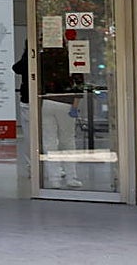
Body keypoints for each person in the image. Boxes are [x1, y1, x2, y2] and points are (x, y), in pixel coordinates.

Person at [39, 45, 83, 188]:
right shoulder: (71, 57)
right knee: (68, 140)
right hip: (66, 102)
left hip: (46, 101)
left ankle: (54, 178)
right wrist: (75, 107)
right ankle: (71, 177)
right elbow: (79, 84)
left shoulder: (42, 58)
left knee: (49, 141)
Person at [13, 44, 30, 177]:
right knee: (49, 135)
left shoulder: (26, 60)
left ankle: (31, 165)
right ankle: (53, 167)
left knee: (29, 135)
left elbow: (16, 68)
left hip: (27, 100)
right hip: (39, 100)